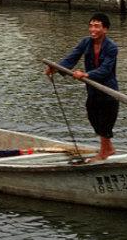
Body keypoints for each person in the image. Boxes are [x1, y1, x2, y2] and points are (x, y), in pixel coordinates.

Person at [45, 12, 119, 161]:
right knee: (93, 115)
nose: (93, 29)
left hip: (108, 89)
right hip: (92, 89)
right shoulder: (86, 42)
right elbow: (71, 57)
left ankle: (105, 151)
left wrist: (86, 75)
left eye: (97, 26)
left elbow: (105, 70)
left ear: (105, 29)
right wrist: (56, 68)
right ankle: (108, 148)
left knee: (106, 119)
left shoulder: (111, 47)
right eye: (91, 26)